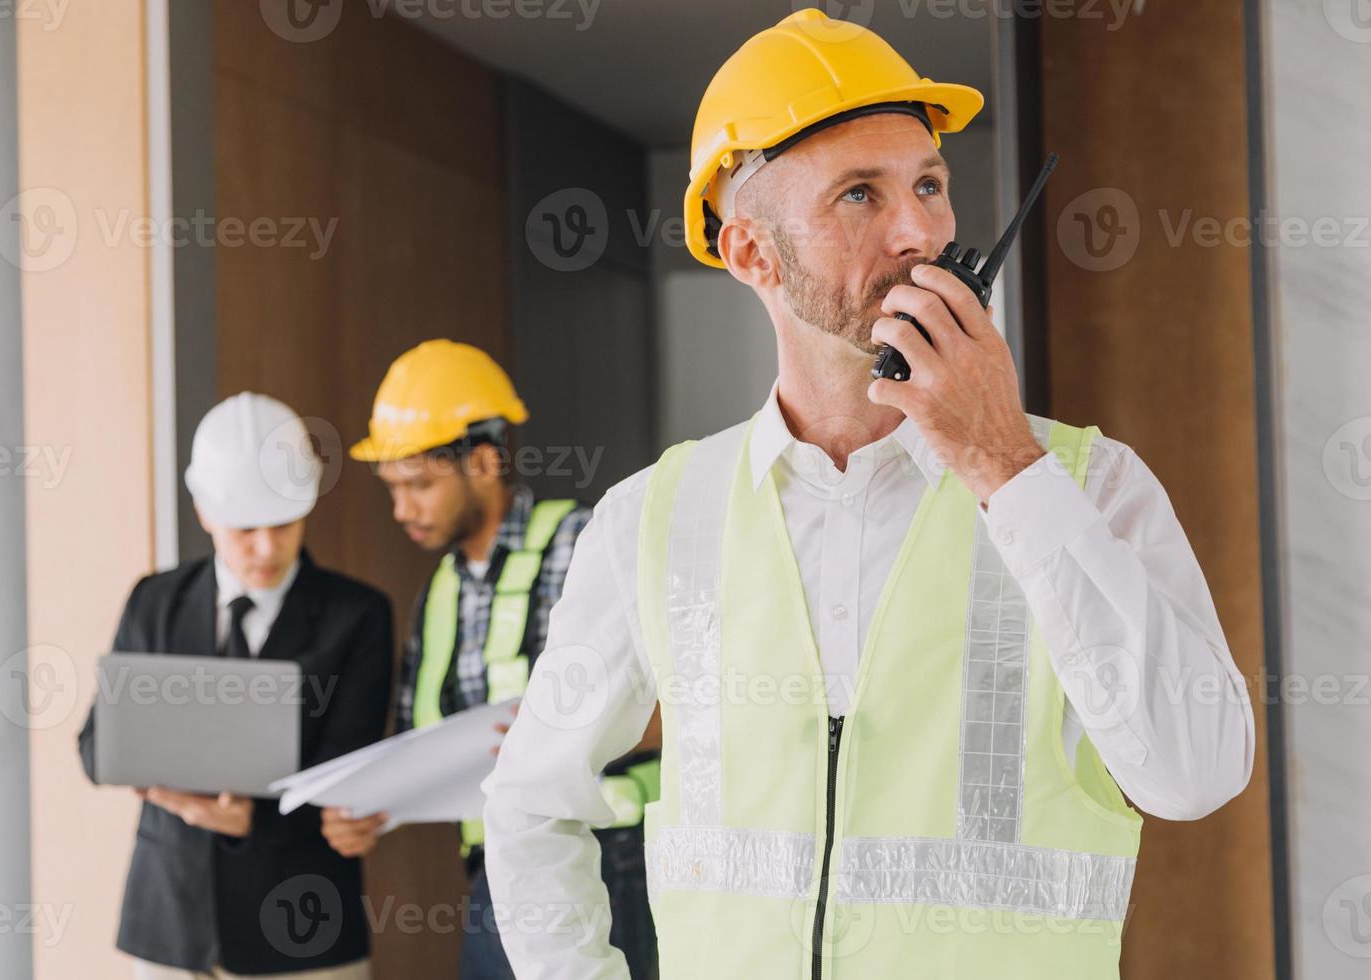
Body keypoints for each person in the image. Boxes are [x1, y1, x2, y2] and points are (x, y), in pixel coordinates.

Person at [481, 9, 1255, 979]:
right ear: (752, 253)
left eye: (929, 183)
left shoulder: (1091, 487)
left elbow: (1196, 773)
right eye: (860, 194)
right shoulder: (654, 518)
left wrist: (1004, 465)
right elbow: (527, 803)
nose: (921, 229)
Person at [320, 339, 660, 978]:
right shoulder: (442, 589)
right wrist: (373, 811)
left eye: (419, 484)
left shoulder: (582, 544)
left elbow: (686, 698)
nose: (402, 510)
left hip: (608, 855)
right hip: (497, 863)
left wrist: (558, 739)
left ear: (482, 462)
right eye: (393, 488)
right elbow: (425, 740)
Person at [79, 392, 393, 979]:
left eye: (283, 524)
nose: (267, 549)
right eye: (245, 528)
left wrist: (256, 820)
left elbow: (346, 776)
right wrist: (157, 776)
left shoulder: (358, 615)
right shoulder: (156, 601)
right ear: (204, 512)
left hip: (302, 928)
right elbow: (96, 749)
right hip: (171, 926)